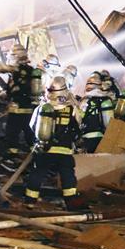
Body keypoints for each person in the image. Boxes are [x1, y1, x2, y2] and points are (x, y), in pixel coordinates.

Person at [25, 76, 80, 207]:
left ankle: (30, 202)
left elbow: (32, 127)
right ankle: (70, 202)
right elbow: (77, 129)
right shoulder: (72, 109)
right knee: (67, 175)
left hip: (44, 149)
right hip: (65, 151)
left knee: (37, 173)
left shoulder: (41, 108)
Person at [0, 44, 42, 154]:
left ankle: (14, 154)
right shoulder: (26, 71)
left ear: (17, 56)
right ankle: (33, 152)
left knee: (12, 132)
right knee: (28, 131)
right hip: (26, 107)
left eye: (11, 56)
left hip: (18, 107)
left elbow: (13, 70)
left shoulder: (22, 70)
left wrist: (3, 68)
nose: (9, 59)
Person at [78, 72, 115, 152]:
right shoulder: (105, 101)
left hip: (84, 138)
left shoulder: (83, 101)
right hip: (100, 138)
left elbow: (78, 120)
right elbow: (109, 124)